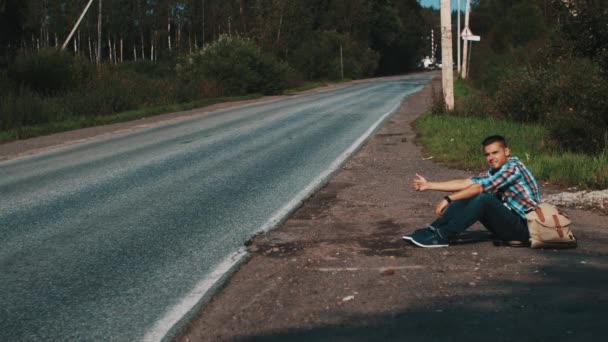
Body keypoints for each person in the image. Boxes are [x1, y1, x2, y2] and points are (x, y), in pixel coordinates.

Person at [403, 135, 541, 248]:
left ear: (506, 152)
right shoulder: (494, 171)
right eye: (487, 154)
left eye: (495, 153)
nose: (491, 157)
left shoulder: (512, 168)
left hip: (527, 229)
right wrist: (428, 185)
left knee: (483, 198)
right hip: (510, 223)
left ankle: (442, 236)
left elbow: (479, 188)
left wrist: (448, 199)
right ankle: (433, 230)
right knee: (470, 192)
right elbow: (466, 183)